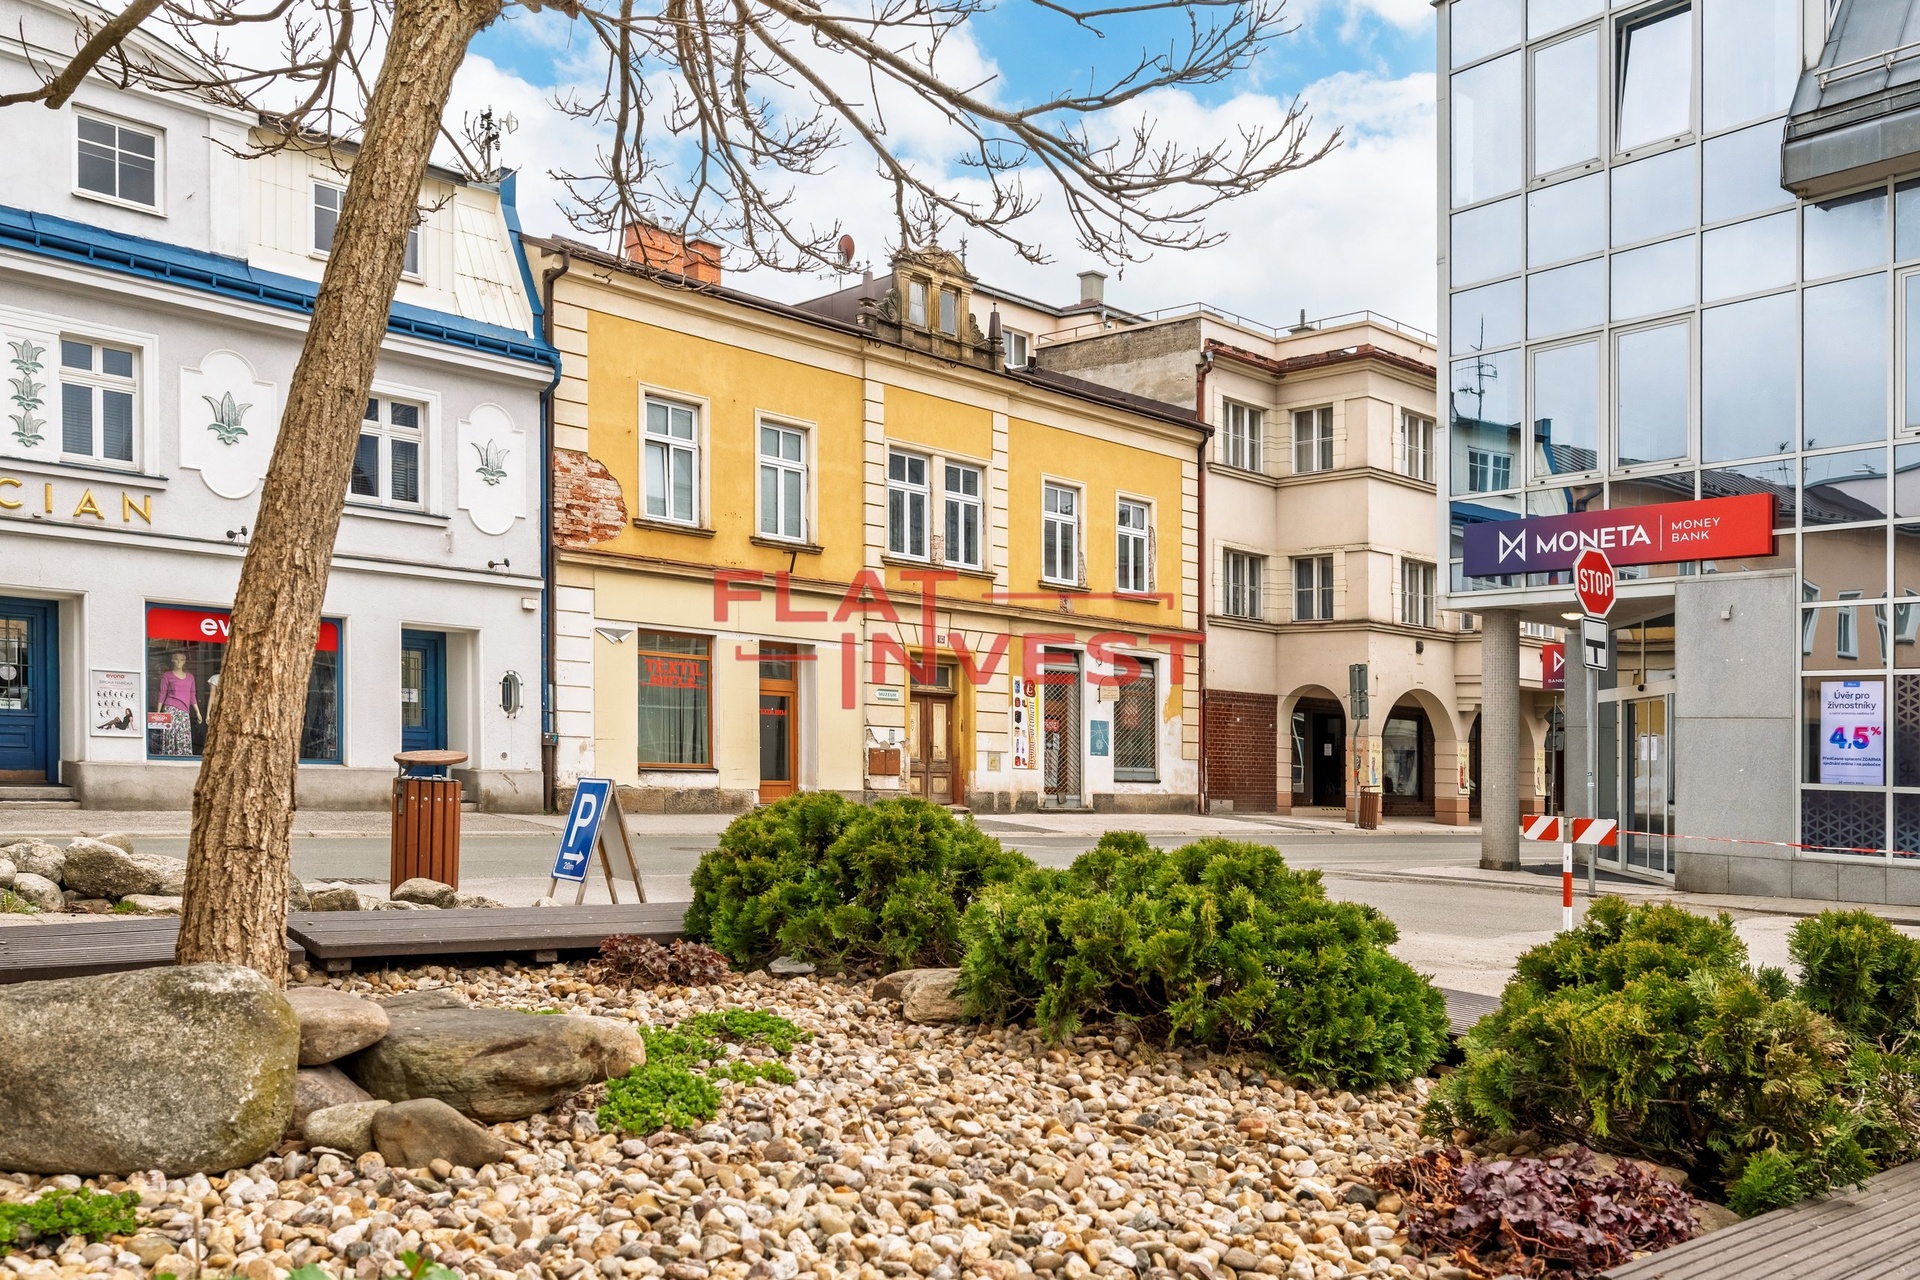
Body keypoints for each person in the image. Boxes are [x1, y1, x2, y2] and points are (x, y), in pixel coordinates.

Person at [154, 650, 202, 756]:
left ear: (185, 662)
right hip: (171, 708)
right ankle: (169, 755)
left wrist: (197, 712)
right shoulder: (167, 675)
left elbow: (192, 695)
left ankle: (183, 756)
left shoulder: (190, 677)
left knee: (183, 734)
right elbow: (162, 693)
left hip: (184, 711)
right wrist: (158, 712)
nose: (179, 662)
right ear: (172, 660)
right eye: (176, 659)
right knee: (171, 734)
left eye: (182, 659)